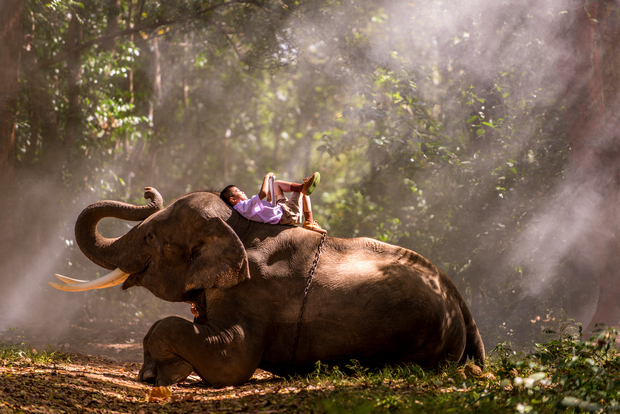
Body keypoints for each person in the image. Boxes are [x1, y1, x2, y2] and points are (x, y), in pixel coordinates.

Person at [220, 172, 327, 234]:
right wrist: (267, 177)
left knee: (276, 184)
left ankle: (303, 187)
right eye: (238, 191)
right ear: (233, 200)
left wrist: (269, 200)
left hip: (281, 208)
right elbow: (262, 193)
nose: (242, 191)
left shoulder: (245, 207)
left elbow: (263, 213)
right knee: (302, 192)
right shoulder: (243, 207)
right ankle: (309, 221)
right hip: (287, 213)